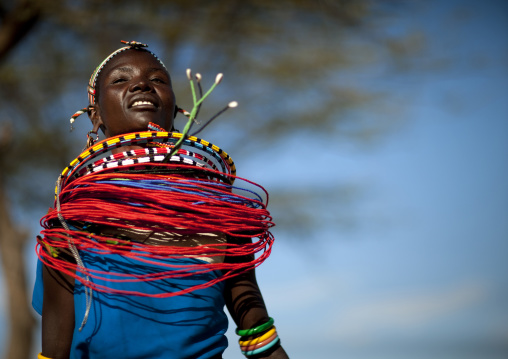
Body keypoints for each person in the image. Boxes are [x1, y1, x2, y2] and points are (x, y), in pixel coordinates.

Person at [32, 41, 289, 359]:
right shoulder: (72, 218)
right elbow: (53, 348)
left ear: (174, 105)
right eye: (120, 80)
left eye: (157, 80)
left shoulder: (219, 210)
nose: (141, 84)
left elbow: (258, 332)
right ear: (95, 114)